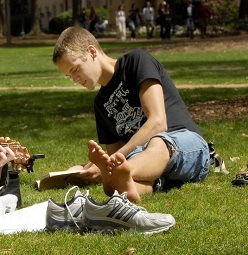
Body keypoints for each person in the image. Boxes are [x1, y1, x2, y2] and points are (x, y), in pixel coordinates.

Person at [52, 26, 211, 203]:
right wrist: (92, 169)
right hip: (147, 166)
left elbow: (158, 123)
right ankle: (122, 186)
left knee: (157, 141)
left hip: (186, 145)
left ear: (91, 52)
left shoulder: (137, 61)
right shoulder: (100, 104)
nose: (75, 80)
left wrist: (112, 163)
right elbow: (117, 155)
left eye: (75, 70)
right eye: (69, 76)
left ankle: (117, 177)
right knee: (127, 182)